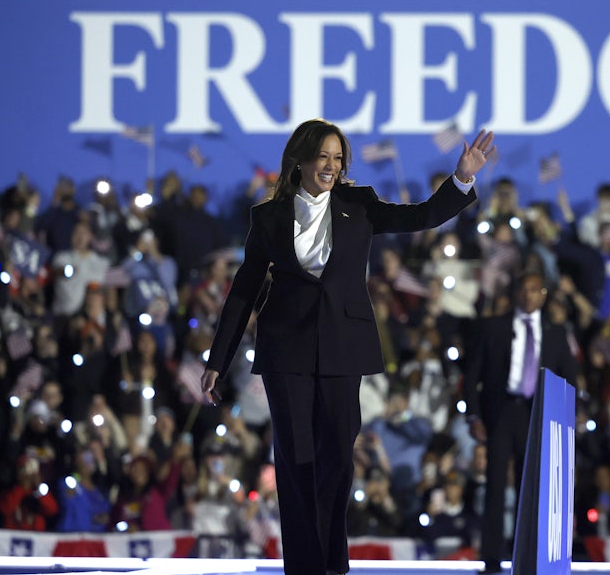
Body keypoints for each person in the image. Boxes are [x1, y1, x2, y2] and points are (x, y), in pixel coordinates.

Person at [201, 119, 494, 575]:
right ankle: (304, 568)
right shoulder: (269, 217)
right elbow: (244, 290)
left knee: (338, 457)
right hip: (286, 351)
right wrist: (218, 360)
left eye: (338, 158)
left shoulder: (359, 205)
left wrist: (461, 179)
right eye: (323, 156)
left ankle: (332, 565)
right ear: (300, 161)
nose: (331, 166)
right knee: (296, 462)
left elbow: (420, 216)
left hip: (342, 346)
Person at [463, 271, 579, 573]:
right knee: (496, 485)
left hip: (537, 414)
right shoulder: (493, 327)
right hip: (501, 411)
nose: (529, 295)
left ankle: (528, 558)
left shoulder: (556, 332)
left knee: (534, 486)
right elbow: (471, 374)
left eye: (534, 289)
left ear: (543, 295)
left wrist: (569, 417)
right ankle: (491, 559)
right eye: (524, 289)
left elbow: (569, 377)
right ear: (515, 293)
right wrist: (474, 415)